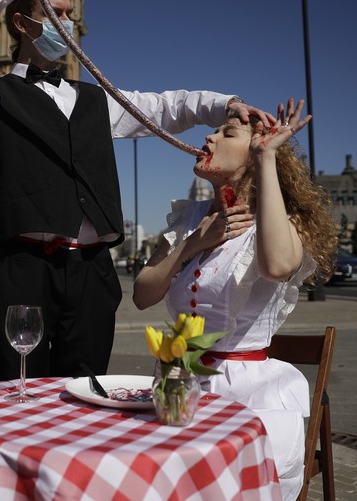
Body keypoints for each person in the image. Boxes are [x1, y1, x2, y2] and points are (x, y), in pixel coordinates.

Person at [0, 0, 270, 382]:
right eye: (56, 13)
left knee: (84, 392)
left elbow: (165, 106)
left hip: (92, 272)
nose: (69, 20)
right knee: (22, 387)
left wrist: (226, 104)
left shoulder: (97, 100)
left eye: (70, 12)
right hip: (27, 270)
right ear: (24, 25)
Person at [133, 98, 338, 500]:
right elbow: (142, 293)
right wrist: (195, 243)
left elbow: (278, 266)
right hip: (179, 385)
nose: (208, 136)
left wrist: (265, 158)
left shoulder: (279, 222)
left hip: (246, 395)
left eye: (227, 133)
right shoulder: (190, 219)